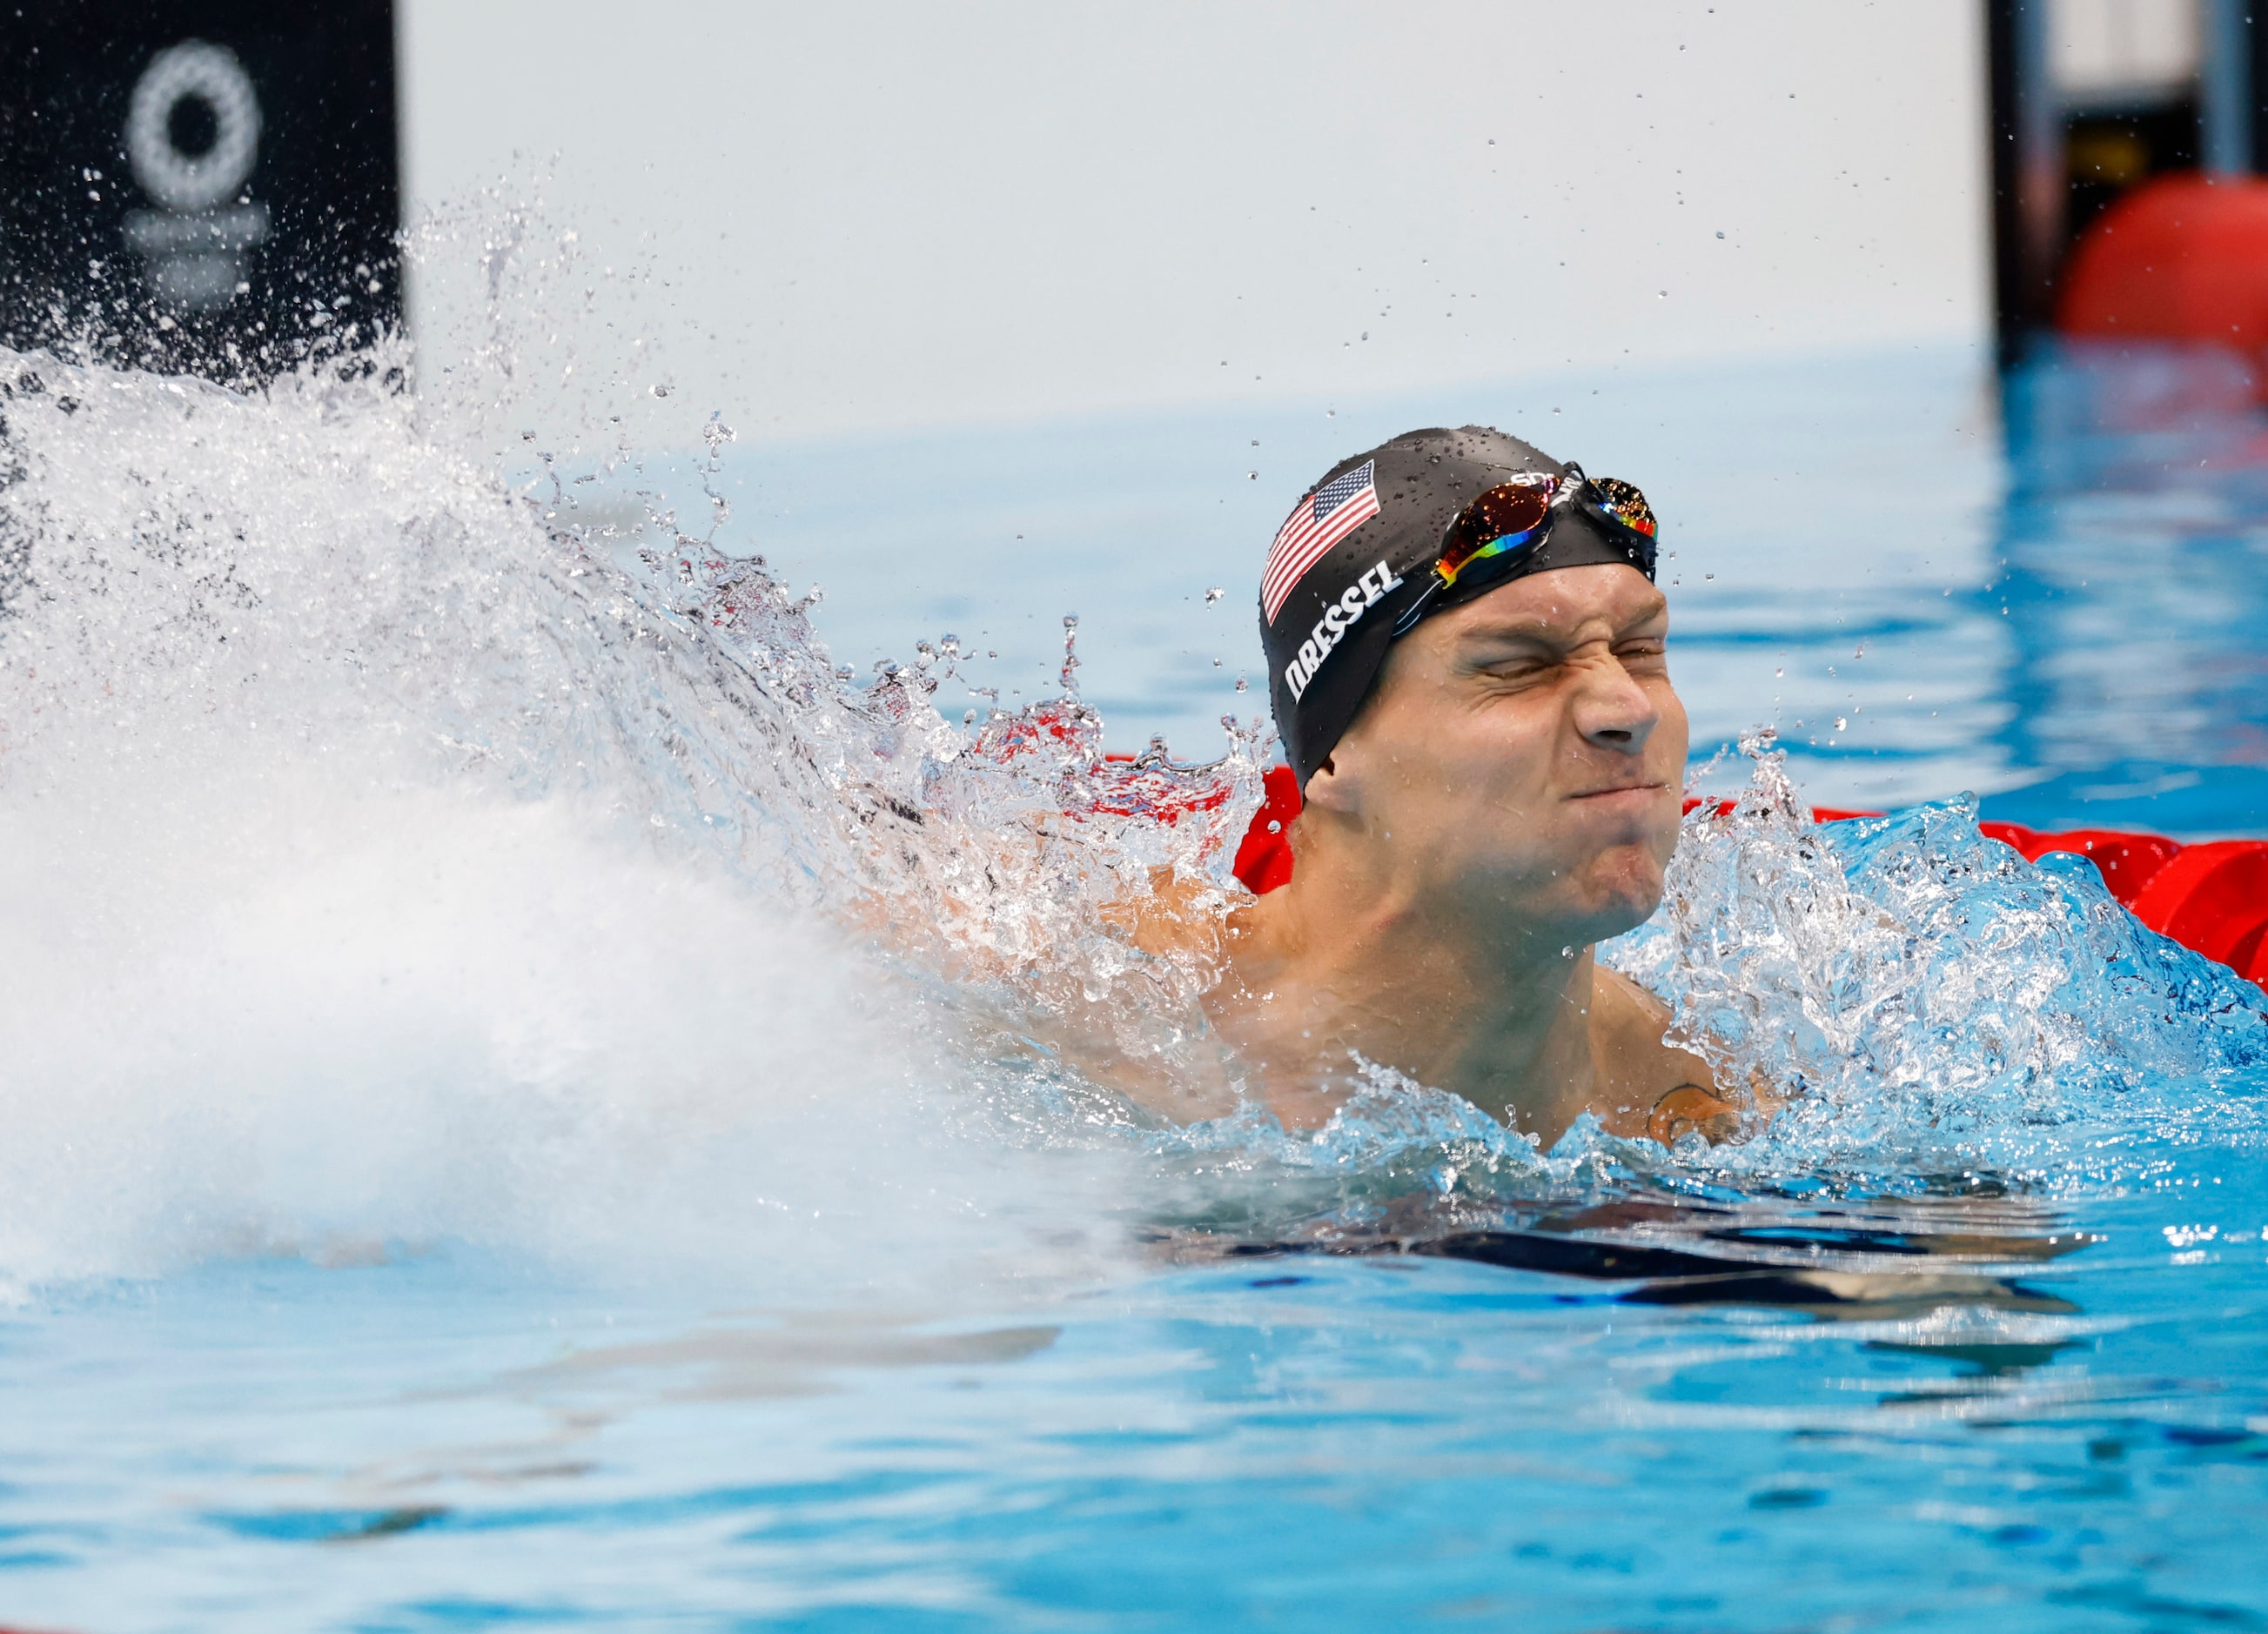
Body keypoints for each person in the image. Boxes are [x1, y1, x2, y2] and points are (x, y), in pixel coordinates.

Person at [1196, 425, 1741, 1149]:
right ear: (1330, 760)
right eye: (1518, 665)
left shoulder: (1692, 1106)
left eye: (1639, 652)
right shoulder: (1102, 1008)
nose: (1630, 710)